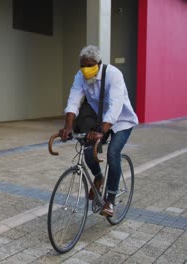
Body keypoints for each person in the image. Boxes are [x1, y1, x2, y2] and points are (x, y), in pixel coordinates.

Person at [58, 45, 138, 217]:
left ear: (99, 63)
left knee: (113, 153)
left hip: (122, 121)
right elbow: (73, 100)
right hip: (100, 120)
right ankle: (98, 176)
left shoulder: (114, 74)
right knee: (88, 150)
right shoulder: (80, 76)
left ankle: (110, 199)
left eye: (90, 66)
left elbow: (115, 106)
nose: (86, 70)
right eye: (83, 66)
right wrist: (67, 126)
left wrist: (101, 130)